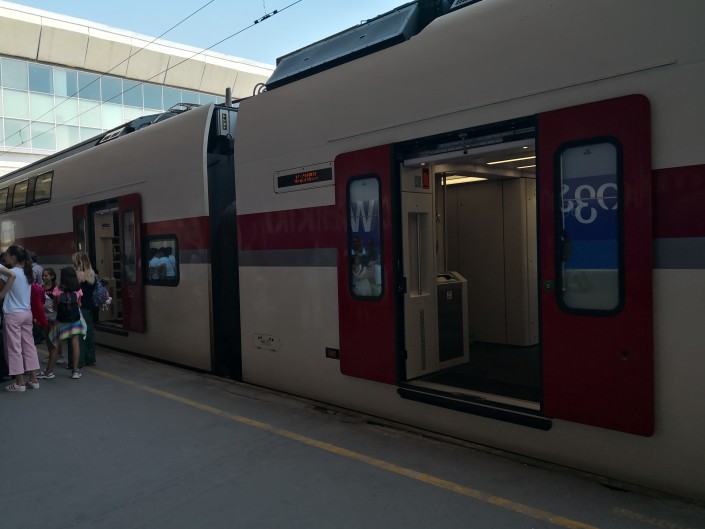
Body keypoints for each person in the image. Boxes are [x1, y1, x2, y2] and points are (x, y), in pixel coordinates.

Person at [0, 245, 40, 392]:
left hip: (12, 315)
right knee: (29, 346)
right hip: (26, 313)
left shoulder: (9, 273)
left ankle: (19, 383)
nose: (5, 257)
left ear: (13, 257)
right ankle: (34, 380)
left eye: (7, 255)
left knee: (14, 348)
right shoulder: (28, 273)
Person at [48, 266, 86, 379]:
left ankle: (49, 371)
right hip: (75, 320)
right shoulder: (78, 289)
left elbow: (55, 307)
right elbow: (79, 304)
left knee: (55, 344)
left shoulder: (57, 290)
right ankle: (75, 371)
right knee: (75, 343)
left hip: (61, 320)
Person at [72, 252, 97, 367]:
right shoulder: (92, 274)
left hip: (79, 307)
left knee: (79, 335)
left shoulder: (76, 275)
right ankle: (90, 359)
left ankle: (79, 361)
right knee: (89, 333)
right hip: (89, 307)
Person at [36, 268, 61, 379]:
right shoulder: (41, 288)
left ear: (52, 276)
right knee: (48, 342)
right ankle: (49, 367)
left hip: (54, 319)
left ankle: (49, 371)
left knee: (53, 344)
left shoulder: (56, 288)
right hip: (45, 319)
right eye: (43, 275)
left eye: (46, 275)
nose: (44, 277)